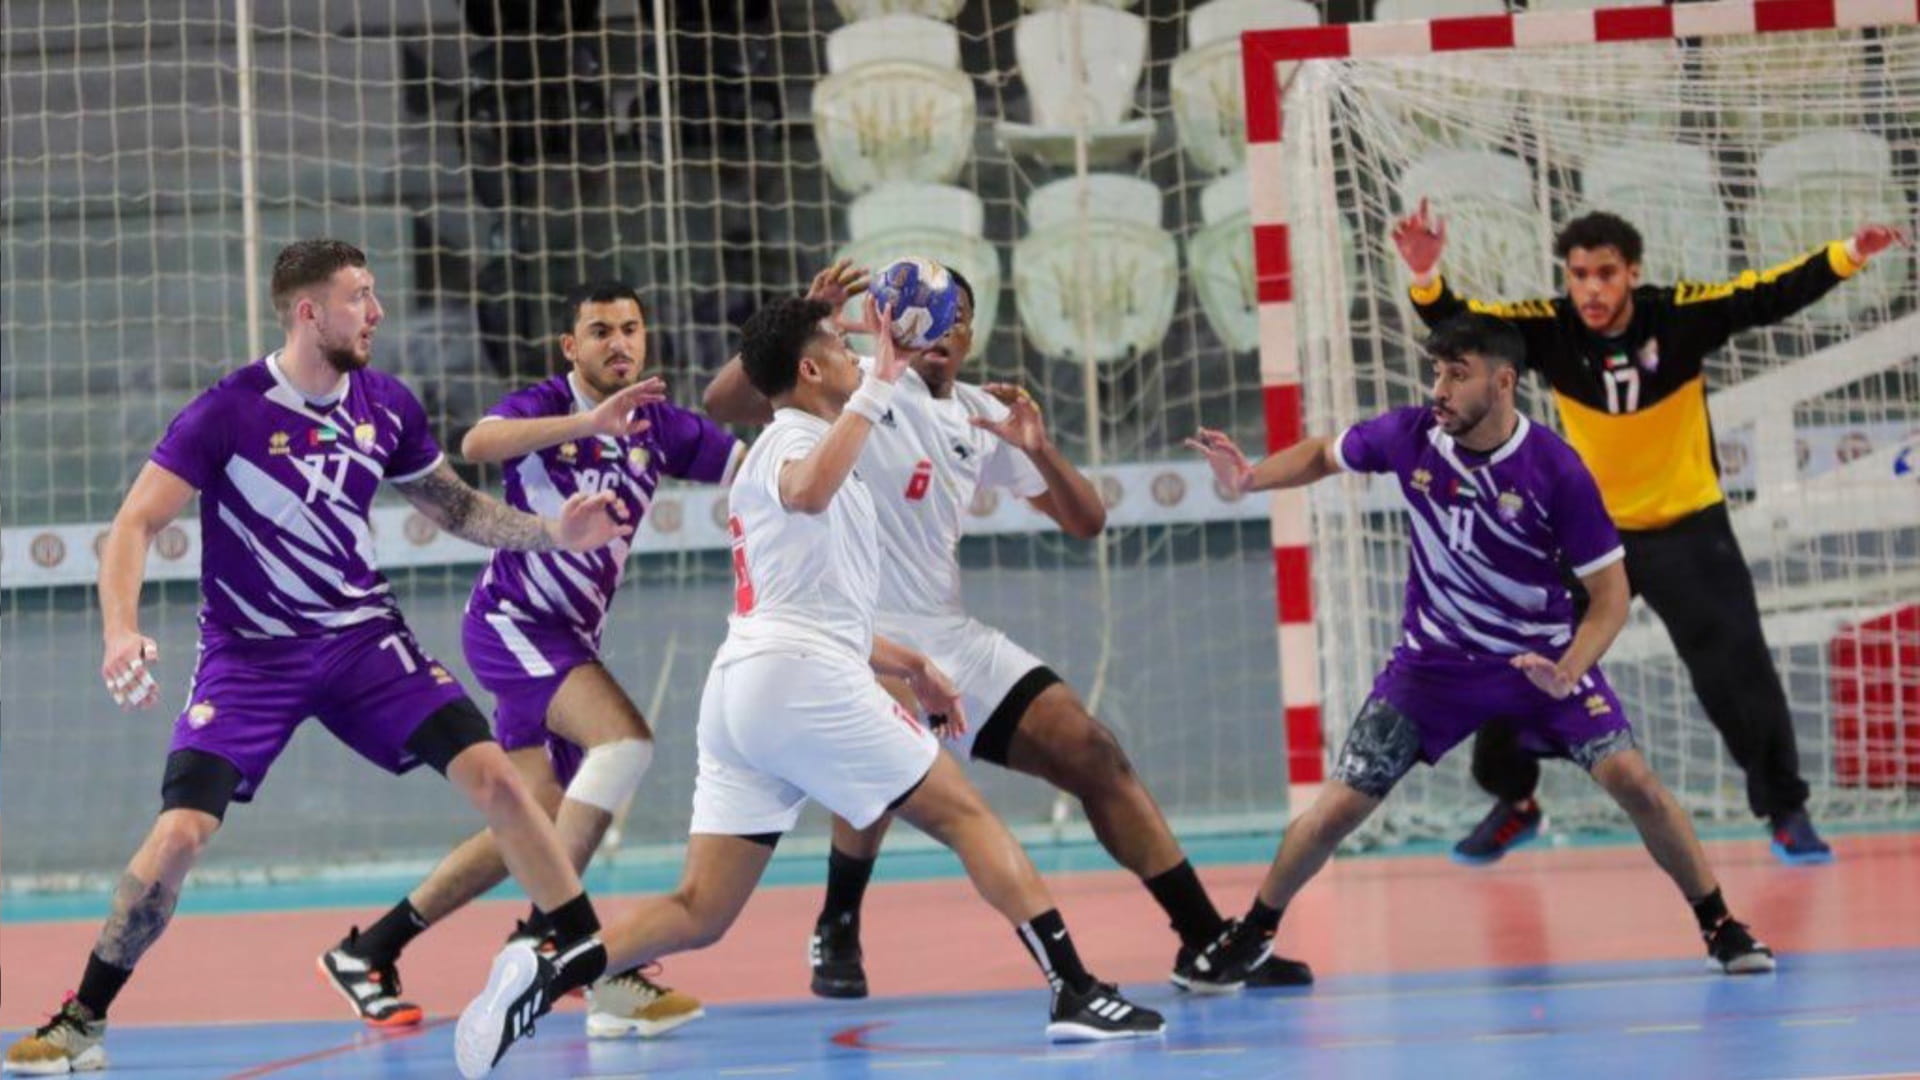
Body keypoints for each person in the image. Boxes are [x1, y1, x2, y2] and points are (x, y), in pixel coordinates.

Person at [454, 296, 1164, 1079]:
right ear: (810, 368)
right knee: (965, 815)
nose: (859, 357)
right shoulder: (792, 440)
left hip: (755, 686)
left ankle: (546, 968)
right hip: (798, 680)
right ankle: (1075, 989)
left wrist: (914, 666)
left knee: (701, 910)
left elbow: (822, 607)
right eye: (841, 346)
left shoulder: (827, 450)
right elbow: (804, 491)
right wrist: (880, 386)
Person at [4, 240, 618, 1075]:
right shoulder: (228, 410)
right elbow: (134, 523)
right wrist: (121, 628)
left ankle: (580, 952)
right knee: (181, 832)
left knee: (502, 781)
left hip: (365, 641)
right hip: (250, 656)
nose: (376, 312)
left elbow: (458, 509)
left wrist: (554, 533)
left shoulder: (386, 405)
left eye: (372, 295)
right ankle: (81, 1019)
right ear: (308, 312)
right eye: (359, 297)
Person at [703, 261, 1312, 998]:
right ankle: (838, 921)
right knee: (885, 754)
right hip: (853, 635)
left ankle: (1204, 941)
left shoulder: (975, 418)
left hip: (945, 634)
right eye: (916, 308)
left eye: (951, 314)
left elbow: (1087, 521)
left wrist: (1037, 448)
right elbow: (725, 400)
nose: (935, 326)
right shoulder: (852, 384)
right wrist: (809, 311)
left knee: (1093, 751)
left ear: (966, 333)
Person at [1183, 313, 1776, 990]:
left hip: (1541, 663)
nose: (1439, 387)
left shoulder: (1556, 469)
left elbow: (1610, 595)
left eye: (1456, 374)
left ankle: (1720, 924)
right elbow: (1322, 454)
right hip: (1432, 666)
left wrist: (1570, 671)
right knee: (1339, 807)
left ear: (1502, 382)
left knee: (1636, 783)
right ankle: (1253, 932)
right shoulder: (1411, 436)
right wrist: (1250, 479)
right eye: (1436, 370)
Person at [1392, 203, 1909, 865]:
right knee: (1513, 653)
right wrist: (1427, 274)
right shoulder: (1549, 329)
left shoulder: (1680, 315)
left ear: (1632, 273)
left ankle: (1786, 812)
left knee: (1737, 672)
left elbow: (1769, 295)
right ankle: (1514, 801)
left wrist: (1849, 252)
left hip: (1686, 526)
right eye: (1579, 275)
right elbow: (1461, 328)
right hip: (1585, 535)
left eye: (1606, 273)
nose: (1592, 289)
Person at [319, 281, 739, 1038]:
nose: (620, 343)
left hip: (569, 639)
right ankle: (557, 942)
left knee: (532, 821)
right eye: (601, 330)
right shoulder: (545, 404)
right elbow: (477, 444)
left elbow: (753, 462)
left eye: (632, 329)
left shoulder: (660, 426)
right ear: (570, 347)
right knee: (627, 742)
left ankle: (372, 950)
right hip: (515, 623)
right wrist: (584, 421)